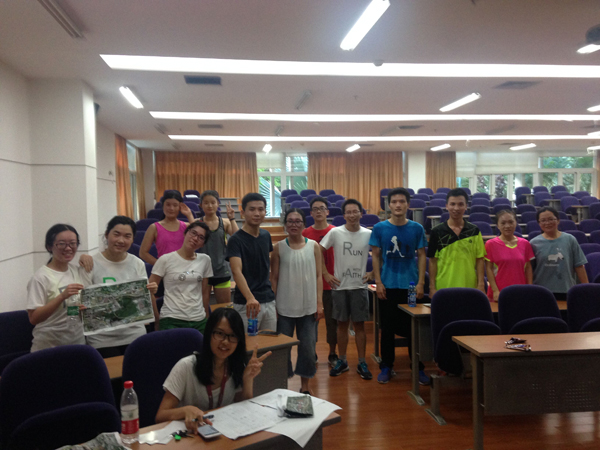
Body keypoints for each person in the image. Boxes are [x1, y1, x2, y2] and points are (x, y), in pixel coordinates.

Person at [155, 308, 271, 433]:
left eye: (232, 336)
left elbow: (241, 408)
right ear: (209, 334)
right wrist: (185, 410)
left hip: (223, 434)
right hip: (190, 434)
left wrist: (247, 380)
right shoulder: (186, 366)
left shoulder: (236, 366)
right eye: (220, 333)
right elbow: (160, 416)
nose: (225, 341)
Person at [369, 188, 428, 385]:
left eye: (402, 201)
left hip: (410, 287)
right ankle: (386, 365)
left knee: (413, 327)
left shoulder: (417, 228)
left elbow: (422, 256)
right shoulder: (379, 228)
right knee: (387, 328)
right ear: (389, 205)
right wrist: (378, 282)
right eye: (394, 201)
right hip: (388, 286)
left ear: (408, 204)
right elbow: (375, 256)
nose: (398, 205)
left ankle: (417, 366)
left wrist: (420, 283)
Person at [79, 216, 158, 357]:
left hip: (135, 334)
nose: (121, 240)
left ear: (133, 239)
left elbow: (142, 300)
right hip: (102, 339)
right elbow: (84, 302)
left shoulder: (137, 263)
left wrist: (149, 293)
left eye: (127, 236)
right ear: (106, 235)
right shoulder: (90, 264)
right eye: (116, 234)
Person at [271, 208, 324, 395]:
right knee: (282, 349)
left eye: (297, 221)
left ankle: (305, 386)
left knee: (308, 349)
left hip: (308, 307)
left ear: (303, 224)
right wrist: (274, 305)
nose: (294, 224)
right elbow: (274, 278)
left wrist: (319, 303)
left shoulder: (314, 246)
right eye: (290, 221)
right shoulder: (278, 247)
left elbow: (318, 276)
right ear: (285, 224)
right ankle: (282, 385)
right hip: (284, 307)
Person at [320, 199, 373, 380]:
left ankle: (362, 362)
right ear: (344, 215)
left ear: (361, 214)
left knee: (359, 326)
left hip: (359, 286)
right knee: (341, 325)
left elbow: (379, 253)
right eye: (348, 212)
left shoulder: (368, 234)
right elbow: (318, 250)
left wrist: (373, 272)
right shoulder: (335, 232)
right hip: (339, 286)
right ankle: (342, 360)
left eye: (355, 211)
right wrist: (325, 274)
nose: (352, 215)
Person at [26, 224, 87, 352]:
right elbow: (34, 318)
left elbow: (73, 309)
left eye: (73, 243)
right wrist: (62, 297)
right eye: (62, 244)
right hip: (49, 346)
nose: (68, 248)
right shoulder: (40, 277)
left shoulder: (76, 271)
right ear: (49, 247)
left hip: (77, 342)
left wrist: (82, 309)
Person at [149, 222, 213, 332]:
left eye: (201, 237)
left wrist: (206, 317)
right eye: (193, 233)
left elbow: (205, 293)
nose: (195, 238)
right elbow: (149, 291)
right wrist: (157, 319)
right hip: (171, 318)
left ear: (203, 244)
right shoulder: (165, 259)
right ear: (185, 233)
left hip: (198, 319)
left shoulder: (205, 260)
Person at [226, 193, 276, 331]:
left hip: (268, 300)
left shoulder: (266, 235)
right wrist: (250, 298)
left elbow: (265, 266)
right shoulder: (236, 240)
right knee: (248, 342)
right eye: (252, 209)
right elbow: (236, 271)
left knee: (270, 341)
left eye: (261, 209)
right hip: (247, 303)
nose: (257, 213)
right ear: (243, 213)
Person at [428, 188, 485, 296]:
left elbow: (479, 260)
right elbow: (432, 261)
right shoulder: (437, 231)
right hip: (443, 287)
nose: (456, 208)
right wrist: (432, 287)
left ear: (466, 206)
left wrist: (481, 284)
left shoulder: (474, 231)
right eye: (452, 204)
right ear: (447, 206)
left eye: (460, 204)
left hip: (469, 287)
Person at [302, 196, 338, 367]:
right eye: (315, 209)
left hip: (332, 284)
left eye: (322, 208)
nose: (318, 211)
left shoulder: (335, 231)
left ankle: (333, 353)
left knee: (332, 322)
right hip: (312, 285)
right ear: (311, 213)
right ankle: (312, 352)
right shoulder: (305, 233)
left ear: (327, 212)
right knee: (312, 323)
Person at [530, 207, 588, 300]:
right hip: (541, 291)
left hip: (566, 290)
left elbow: (579, 266)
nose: (547, 223)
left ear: (558, 220)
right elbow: (529, 269)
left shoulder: (570, 239)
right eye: (543, 220)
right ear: (539, 223)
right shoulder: (533, 243)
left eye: (551, 219)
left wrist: (586, 288)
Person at [198, 190, 238, 304]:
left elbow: (237, 237)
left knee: (224, 307)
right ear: (201, 205)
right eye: (206, 203)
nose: (210, 205)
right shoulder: (197, 223)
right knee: (202, 308)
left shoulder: (224, 222)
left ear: (218, 204)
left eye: (213, 202)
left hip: (221, 270)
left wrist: (232, 219)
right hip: (202, 271)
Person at [485, 209, 534, 302]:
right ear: (497, 226)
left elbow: (528, 268)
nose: (507, 226)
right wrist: (495, 291)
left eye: (511, 222)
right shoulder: (490, 244)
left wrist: (530, 288)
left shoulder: (525, 243)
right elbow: (489, 269)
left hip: (521, 291)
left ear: (516, 223)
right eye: (503, 223)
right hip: (499, 293)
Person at [140, 190, 196, 265]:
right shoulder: (154, 227)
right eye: (168, 205)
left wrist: (189, 214)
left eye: (175, 205)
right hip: (165, 269)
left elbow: (198, 235)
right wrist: (161, 265)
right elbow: (143, 253)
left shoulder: (186, 226)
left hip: (186, 267)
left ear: (180, 207)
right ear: (163, 206)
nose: (171, 208)